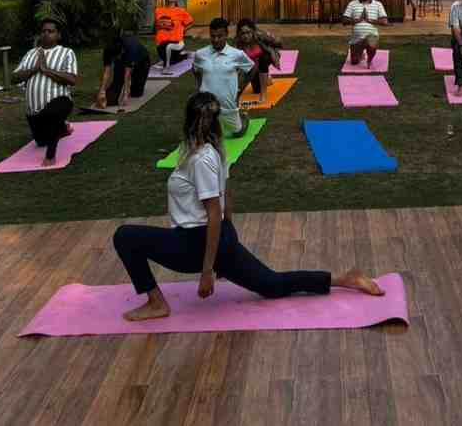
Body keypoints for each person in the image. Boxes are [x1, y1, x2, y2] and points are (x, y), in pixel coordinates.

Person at [113, 92, 385, 321]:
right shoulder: (213, 150)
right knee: (272, 285)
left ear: (188, 121)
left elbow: (214, 212)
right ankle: (344, 279)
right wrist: (229, 237)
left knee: (125, 236)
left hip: (196, 245)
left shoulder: (200, 160)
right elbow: (227, 195)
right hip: (218, 240)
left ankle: (156, 303)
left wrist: (207, 271)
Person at [11, 19, 79, 166]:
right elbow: (14, 78)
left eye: (51, 31)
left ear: (58, 35)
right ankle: (62, 127)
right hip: (34, 111)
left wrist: (46, 70)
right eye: (43, 31)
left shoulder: (66, 52)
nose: (46, 34)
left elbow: (72, 79)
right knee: (41, 141)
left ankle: (50, 156)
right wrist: (35, 69)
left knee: (53, 114)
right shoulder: (31, 53)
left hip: (60, 101)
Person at [193, 18, 255, 138]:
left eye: (219, 36)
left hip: (228, 104)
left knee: (238, 133)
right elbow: (195, 69)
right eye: (213, 36)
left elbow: (251, 68)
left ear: (226, 35)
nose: (216, 40)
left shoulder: (237, 54)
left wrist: (240, 88)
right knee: (204, 135)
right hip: (206, 104)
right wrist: (199, 85)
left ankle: (244, 117)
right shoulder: (200, 54)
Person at [96, 34, 151, 109]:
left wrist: (125, 93)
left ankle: (134, 85)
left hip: (142, 61)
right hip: (123, 59)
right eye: (115, 57)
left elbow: (127, 74)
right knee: (115, 89)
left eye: (117, 56)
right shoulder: (108, 50)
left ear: (122, 50)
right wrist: (101, 91)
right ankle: (109, 96)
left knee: (136, 93)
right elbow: (106, 71)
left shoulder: (131, 48)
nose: (115, 58)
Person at [342, 0, 389, 68]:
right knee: (354, 62)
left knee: (371, 42)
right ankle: (360, 54)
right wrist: (357, 20)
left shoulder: (378, 4)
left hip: (371, 36)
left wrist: (369, 20)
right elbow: (344, 20)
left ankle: (369, 59)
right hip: (356, 39)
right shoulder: (352, 4)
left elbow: (385, 22)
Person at [236, 18, 283, 105]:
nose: (246, 36)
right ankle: (266, 79)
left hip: (263, 61)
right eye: (243, 33)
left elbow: (279, 43)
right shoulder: (238, 44)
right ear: (239, 34)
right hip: (252, 68)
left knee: (263, 58)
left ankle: (263, 94)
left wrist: (272, 41)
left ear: (253, 31)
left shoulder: (260, 37)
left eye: (248, 32)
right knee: (256, 90)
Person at [155, 0, 194, 74]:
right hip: (160, 43)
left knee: (168, 47)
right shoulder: (158, 10)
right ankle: (185, 56)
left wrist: (183, 30)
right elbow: (157, 26)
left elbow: (191, 23)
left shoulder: (180, 11)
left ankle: (166, 68)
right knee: (172, 60)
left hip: (175, 42)